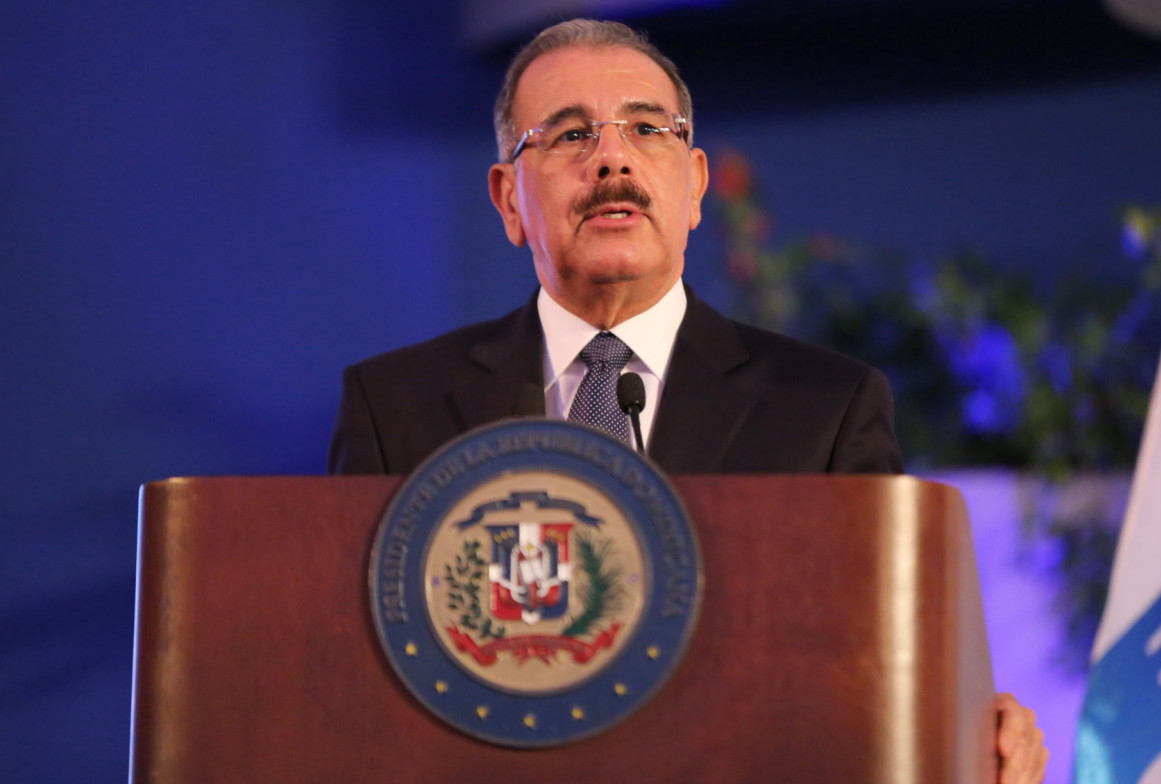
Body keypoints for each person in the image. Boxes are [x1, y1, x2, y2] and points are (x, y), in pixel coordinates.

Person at [329, 19, 1047, 782]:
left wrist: (968, 725)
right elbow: (345, 674)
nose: (613, 158)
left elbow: (884, 662)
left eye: (647, 129)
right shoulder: (394, 406)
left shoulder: (826, 409)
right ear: (509, 199)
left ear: (695, 185)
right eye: (571, 135)